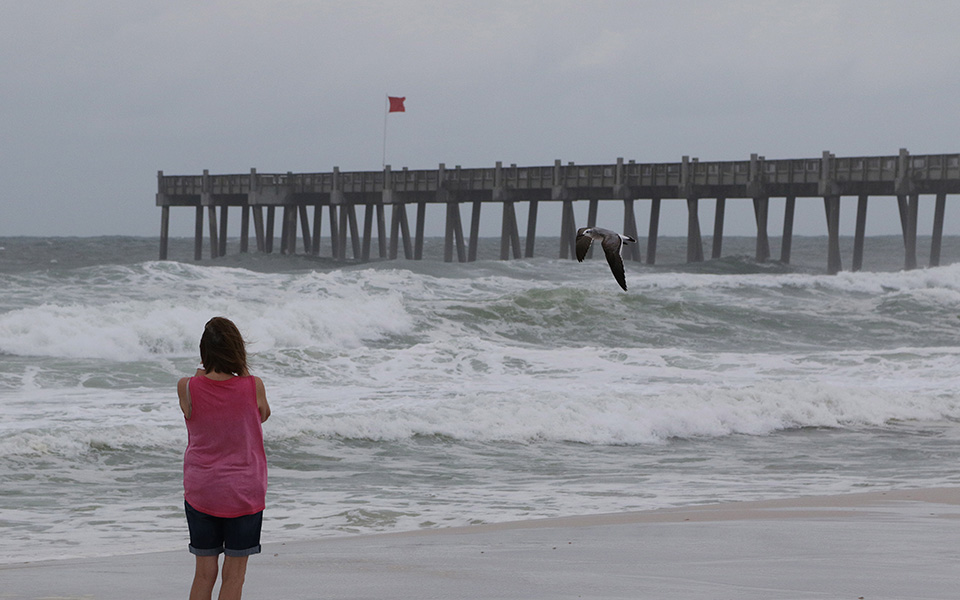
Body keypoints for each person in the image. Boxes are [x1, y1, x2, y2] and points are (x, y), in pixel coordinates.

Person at [178, 317, 271, 600]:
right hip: (243, 491)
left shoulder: (186, 387)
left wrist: (207, 366)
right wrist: (240, 368)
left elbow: (198, 384)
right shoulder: (253, 386)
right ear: (236, 350)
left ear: (204, 352)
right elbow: (263, 415)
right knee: (235, 575)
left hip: (203, 489)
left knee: (204, 574)